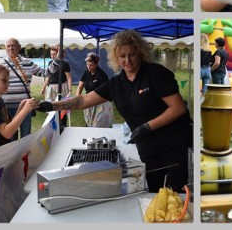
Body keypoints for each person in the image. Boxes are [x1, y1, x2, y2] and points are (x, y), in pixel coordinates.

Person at [41, 30, 193, 193]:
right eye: (122, 56)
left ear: (140, 53)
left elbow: (178, 108)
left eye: (132, 54)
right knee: (155, 192)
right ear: (115, 57)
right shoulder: (116, 84)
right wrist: (53, 106)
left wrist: (147, 127)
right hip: (147, 147)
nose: (127, 60)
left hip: (175, 143)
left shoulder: (155, 74)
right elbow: (83, 100)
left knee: (179, 194)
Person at [0, 63, 39, 152]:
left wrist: (20, 109)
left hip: (1, 151)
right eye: (3, 80)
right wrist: (25, 111)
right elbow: (7, 133)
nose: (7, 84)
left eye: (8, 81)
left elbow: (8, 124)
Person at [0, 38, 45, 139]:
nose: (11, 48)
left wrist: (56, 61)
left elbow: (44, 73)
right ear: (5, 48)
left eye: (13, 45)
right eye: (8, 46)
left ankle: (25, 154)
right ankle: (14, 155)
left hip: (25, 106)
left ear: (19, 47)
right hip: (7, 107)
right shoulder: (0, 65)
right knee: (11, 137)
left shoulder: (28, 63)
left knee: (26, 136)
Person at [76, 53, 114, 128]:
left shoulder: (102, 75)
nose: (89, 67)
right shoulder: (86, 72)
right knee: (89, 122)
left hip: (99, 102)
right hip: (88, 100)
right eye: (87, 65)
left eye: (91, 65)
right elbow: (80, 87)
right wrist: (77, 99)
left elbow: (106, 92)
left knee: (97, 125)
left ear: (96, 64)